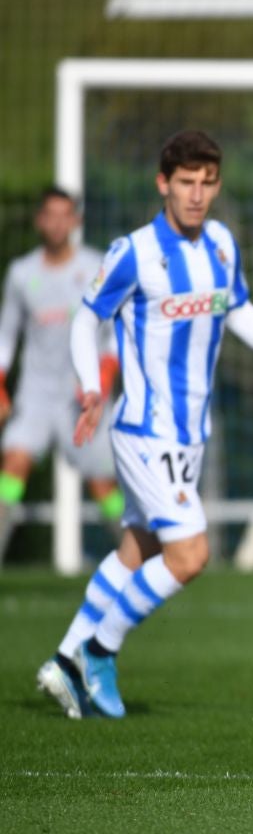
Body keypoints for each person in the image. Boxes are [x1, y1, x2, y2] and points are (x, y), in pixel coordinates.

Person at [35, 129, 253, 720]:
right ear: (163, 183)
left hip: (190, 434)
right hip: (145, 428)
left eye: (207, 183)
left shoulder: (220, 243)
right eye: (186, 182)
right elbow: (84, 320)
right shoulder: (134, 251)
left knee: (138, 549)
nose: (197, 195)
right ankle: (99, 650)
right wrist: (91, 385)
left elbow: (236, 307)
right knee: (190, 555)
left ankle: (63, 661)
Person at [0, 187, 124, 563]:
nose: (57, 223)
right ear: (40, 220)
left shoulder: (96, 268)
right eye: (50, 215)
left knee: (104, 485)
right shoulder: (22, 273)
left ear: (76, 221)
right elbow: (6, 335)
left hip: (81, 396)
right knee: (13, 466)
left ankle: (141, 561)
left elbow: (113, 334)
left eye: (64, 215)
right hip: (36, 397)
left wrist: (101, 379)